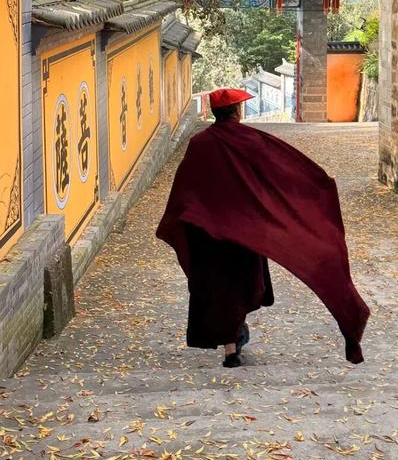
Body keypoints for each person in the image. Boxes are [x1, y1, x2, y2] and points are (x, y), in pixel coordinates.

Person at [156, 88, 370, 368]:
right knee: (240, 286)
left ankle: (231, 347)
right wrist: (315, 184)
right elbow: (281, 169)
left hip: (208, 232)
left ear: (214, 113)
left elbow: (185, 189)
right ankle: (233, 342)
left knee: (220, 290)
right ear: (237, 112)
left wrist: (190, 221)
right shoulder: (251, 141)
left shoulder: (199, 143)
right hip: (244, 232)